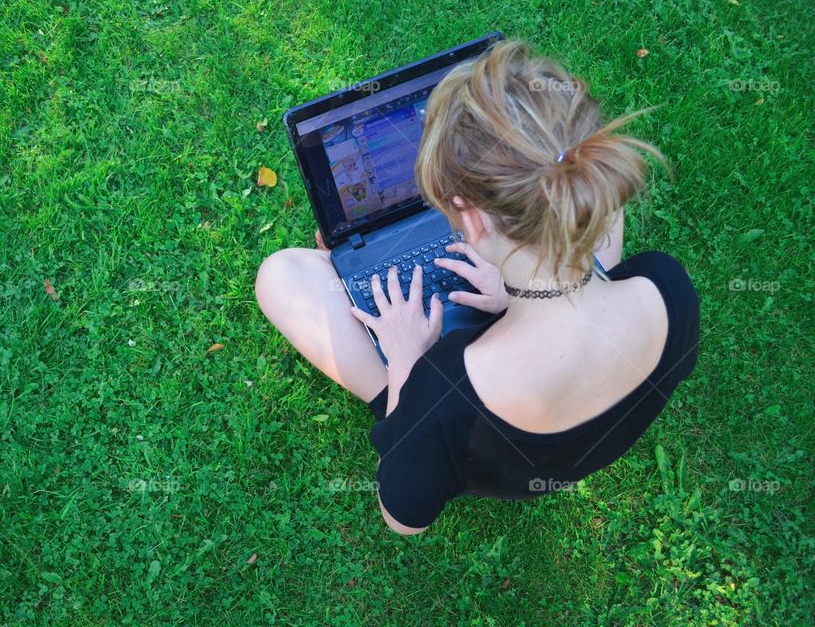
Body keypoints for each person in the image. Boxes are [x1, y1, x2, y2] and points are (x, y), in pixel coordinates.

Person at [255, 40, 699, 534]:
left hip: (473, 439)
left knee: (280, 276)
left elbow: (402, 519)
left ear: (469, 217)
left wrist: (406, 362)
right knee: (607, 224)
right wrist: (511, 300)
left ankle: (390, 394)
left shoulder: (442, 398)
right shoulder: (668, 287)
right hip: (576, 407)